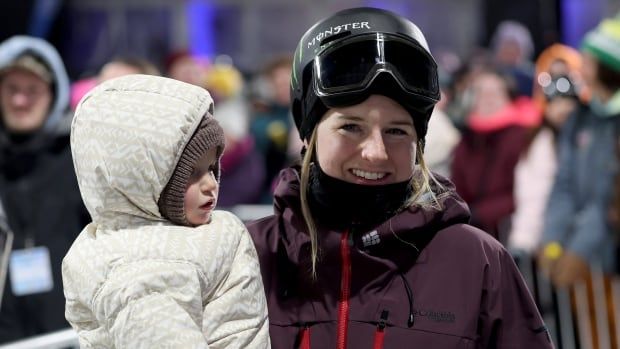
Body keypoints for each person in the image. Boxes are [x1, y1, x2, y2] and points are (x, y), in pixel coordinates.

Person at [247, 7, 552, 348]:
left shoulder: (477, 264)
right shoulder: (250, 257)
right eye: (351, 127)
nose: (376, 152)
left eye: (396, 130)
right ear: (308, 134)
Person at [62, 74, 269, 348]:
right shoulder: (138, 267)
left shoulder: (191, 235)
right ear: (141, 178)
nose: (211, 184)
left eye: (210, 168)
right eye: (191, 174)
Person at [0, 35, 90, 342]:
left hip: (69, 331)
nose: (20, 101)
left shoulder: (78, 159)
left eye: (32, 90)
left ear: (53, 95)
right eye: (11, 89)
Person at [539, 14, 620, 287]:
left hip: (605, 254)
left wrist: (579, 249)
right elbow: (564, 185)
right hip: (586, 265)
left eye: (587, 61)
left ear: (606, 66)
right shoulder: (581, 119)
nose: (581, 69)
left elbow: (608, 200)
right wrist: (552, 240)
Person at [507, 44, 584, 256]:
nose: (563, 109)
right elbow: (532, 192)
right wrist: (523, 239)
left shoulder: (589, 134)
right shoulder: (540, 142)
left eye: (569, 101)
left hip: (587, 241)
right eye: (557, 102)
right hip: (550, 241)